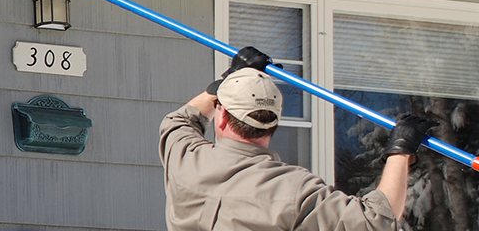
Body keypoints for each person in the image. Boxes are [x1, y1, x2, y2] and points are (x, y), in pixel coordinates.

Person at [159, 46, 437, 231]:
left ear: (221, 116)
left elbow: (181, 119)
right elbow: (377, 220)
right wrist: (401, 149)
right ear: (274, 124)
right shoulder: (293, 189)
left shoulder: (185, 159)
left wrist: (232, 79)